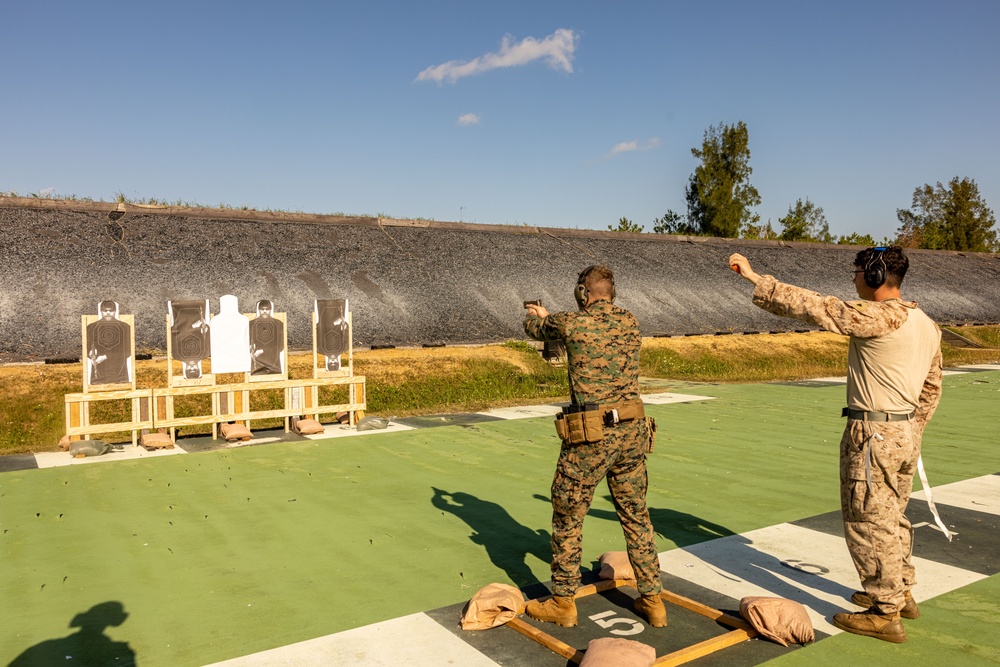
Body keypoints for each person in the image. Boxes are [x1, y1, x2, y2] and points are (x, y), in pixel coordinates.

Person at [728, 247, 942, 644]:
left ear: (876, 275)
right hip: (905, 431)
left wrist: (757, 279)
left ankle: (884, 612)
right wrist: (910, 431)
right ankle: (901, 591)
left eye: (859, 271)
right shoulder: (925, 322)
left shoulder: (879, 315)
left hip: (873, 433)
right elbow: (932, 386)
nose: (854, 278)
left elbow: (815, 306)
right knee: (892, 515)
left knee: (867, 520)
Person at [522, 265, 666, 628]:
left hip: (592, 437)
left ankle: (563, 603)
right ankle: (653, 600)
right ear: (612, 293)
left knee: (568, 514)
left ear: (582, 293)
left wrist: (540, 316)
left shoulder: (571, 322)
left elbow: (536, 329)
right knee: (636, 515)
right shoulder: (631, 321)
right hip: (633, 434)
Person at [86, 301, 131, 385]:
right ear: (100, 311)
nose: (108, 313)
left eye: (111, 310)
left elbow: (128, 351)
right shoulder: (91, 327)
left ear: (115, 311)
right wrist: (90, 352)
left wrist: (107, 356)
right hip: (99, 372)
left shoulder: (125, 327)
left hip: (119, 372)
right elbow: (87, 346)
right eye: (105, 310)